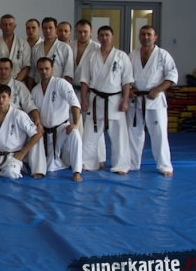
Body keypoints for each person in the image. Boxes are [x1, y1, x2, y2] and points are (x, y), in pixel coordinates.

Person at [80, 26, 133, 175]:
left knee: (119, 136)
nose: (104, 38)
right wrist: (84, 99)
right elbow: (84, 80)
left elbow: (127, 82)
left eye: (107, 35)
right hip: (95, 100)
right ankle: (88, 162)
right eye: (102, 35)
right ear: (98, 37)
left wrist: (125, 100)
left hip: (115, 100)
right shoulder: (91, 56)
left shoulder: (122, 56)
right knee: (90, 135)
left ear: (112, 37)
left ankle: (121, 165)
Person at [127, 26, 178, 176]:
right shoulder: (132, 55)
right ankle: (133, 163)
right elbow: (125, 76)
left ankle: (164, 165)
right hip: (136, 100)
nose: (146, 37)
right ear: (139, 37)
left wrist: (158, 89)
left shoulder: (163, 55)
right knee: (133, 133)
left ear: (155, 37)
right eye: (143, 34)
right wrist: (129, 89)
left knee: (159, 134)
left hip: (155, 100)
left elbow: (172, 76)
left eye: (149, 34)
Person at [31, 58, 83, 181]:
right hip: (45, 131)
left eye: (47, 68)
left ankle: (77, 171)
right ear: (38, 71)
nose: (44, 71)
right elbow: (34, 110)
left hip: (62, 128)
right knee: (49, 166)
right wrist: (38, 123)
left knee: (75, 133)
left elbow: (74, 103)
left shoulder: (61, 83)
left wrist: (75, 123)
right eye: (41, 69)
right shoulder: (35, 90)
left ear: (52, 70)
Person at [0, 85, 44, 179]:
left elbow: (37, 134)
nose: (1, 100)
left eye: (4, 97)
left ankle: (3, 170)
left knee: (11, 173)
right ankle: (0, 171)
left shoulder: (19, 115)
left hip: (13, 155)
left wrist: (23, 153)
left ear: (10, 98)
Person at [71, 20, 106, 169]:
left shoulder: (97, 48)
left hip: (91, 91)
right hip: (73, 90)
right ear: (76, 32)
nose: (82, 34)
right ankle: (76, 157)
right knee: (75, 123)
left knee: (94, 125)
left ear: (91, 32)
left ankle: (100, 158)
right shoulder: (70, 46)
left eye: (85, 31)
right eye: (80, 32)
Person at [0, 14, 30, 82]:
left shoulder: (23, 44)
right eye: (5, 24)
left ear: (15, 26)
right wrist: (0, 82)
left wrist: (14, 83)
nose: (7, 27)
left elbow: (26, 67)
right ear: (0, 26)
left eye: (10, 24)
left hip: (18, 82)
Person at [28, 17, 74, 87]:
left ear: (56, 29)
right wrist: (29, 90)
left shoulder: (65, 48)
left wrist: (65, 90)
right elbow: (32, 73)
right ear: (42, 30)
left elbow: (68, 74)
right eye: (45, 28)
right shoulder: (36, 48)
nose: (48, 30)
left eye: (50, 28)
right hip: (39, 86)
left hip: (58, 87)